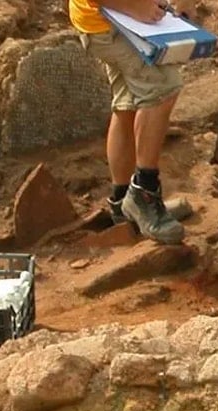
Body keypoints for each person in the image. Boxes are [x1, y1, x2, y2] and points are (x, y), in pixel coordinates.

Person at [69, 0, 200, 244]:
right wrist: (135, 7)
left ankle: (123, 203)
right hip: (108, 19)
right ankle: (143, 194)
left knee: (127, 103)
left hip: (120, 20)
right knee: (162, 88)